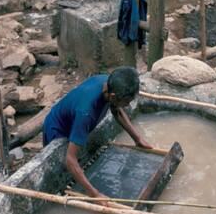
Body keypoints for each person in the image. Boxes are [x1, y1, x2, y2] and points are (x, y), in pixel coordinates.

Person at [42, 66, 152, 202]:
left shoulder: (109, 83)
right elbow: (70, 159)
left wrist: (137, 139)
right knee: (62, 173)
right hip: (58, 130)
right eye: (126, 103)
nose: (127, 106)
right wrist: (95, 194)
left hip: (75, 118)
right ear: (113, 96)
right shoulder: (86, 113)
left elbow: (116, 109)